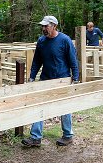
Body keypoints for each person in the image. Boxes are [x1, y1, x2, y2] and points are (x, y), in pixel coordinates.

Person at [21, 15, 80, 147]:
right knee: (39, 106)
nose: (43, 28)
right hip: (45, 79)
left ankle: (68, 135)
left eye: (46, 26)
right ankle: (35, 137)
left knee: (64, 107)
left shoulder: (64, 40)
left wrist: (75, 78)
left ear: (54, 26)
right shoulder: (41, 41)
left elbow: (73, 60)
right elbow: (37, 61)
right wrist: (32, 77)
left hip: (62, 79)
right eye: (42, 26)